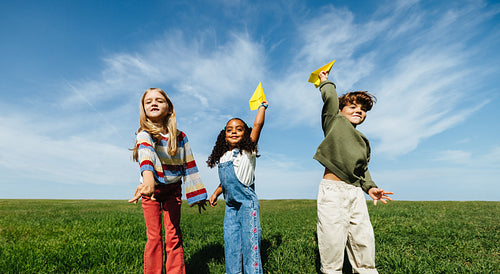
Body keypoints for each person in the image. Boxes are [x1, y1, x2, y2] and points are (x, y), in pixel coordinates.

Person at [314, 70, 393, 274]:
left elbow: (363, 169)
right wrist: (325, 81)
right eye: (353, 106)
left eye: (363, 109)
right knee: (331, 239)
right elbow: (330, 97)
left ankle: (366, 270)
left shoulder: (363, 141)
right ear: (340, 110)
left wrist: (371, 188)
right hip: (332, 191)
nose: (359, 111)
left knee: (363, 239)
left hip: (355, 193)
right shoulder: (333, 121)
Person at [128, 88, 207, 274]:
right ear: (144, 109)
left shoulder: (180, 137)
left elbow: (189, 164)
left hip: (173, 190)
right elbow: (145, 154)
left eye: (159, 100)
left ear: (169, 108)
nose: (153, 103)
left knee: (173, 236)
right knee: (154, 237)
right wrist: (148, 179)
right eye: (148, 101)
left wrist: (197, 194)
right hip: (151, 191)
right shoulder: (144, 134)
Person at [207, 101, 268, 274]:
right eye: (229, 129)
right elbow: (225, 181)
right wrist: (216, 193)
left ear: (246, 133)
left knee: (250, 243)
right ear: (224, 136)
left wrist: (262, 107)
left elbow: (258, 125)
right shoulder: (224, 156)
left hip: (247, 204)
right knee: (231, 242)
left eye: (239, 129)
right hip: (231, 205)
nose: (234, 131)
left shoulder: (248, 151)